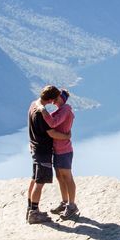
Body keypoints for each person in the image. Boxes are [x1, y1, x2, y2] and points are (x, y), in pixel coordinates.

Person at [27, 85, 70, 224]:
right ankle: (34, 213)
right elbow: (52, 133)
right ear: (51, 99)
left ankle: (30, 208)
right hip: (43, 151)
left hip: (34, 147)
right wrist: (66, 136)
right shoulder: (41, 112)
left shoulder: (34, 104)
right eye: (55, 99)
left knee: (34, 179)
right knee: (39, 183)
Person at [41, 88, 78, 220]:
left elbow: (53, 122)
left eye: (56, 99)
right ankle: (64, 202)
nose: (54, 101)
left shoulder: (66, 109)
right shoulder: (60, 110)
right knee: (59, 177)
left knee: (67, 176)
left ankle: (72, 205)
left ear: (62, 98)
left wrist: (42, 109)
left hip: (64, 150)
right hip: (57, 149)